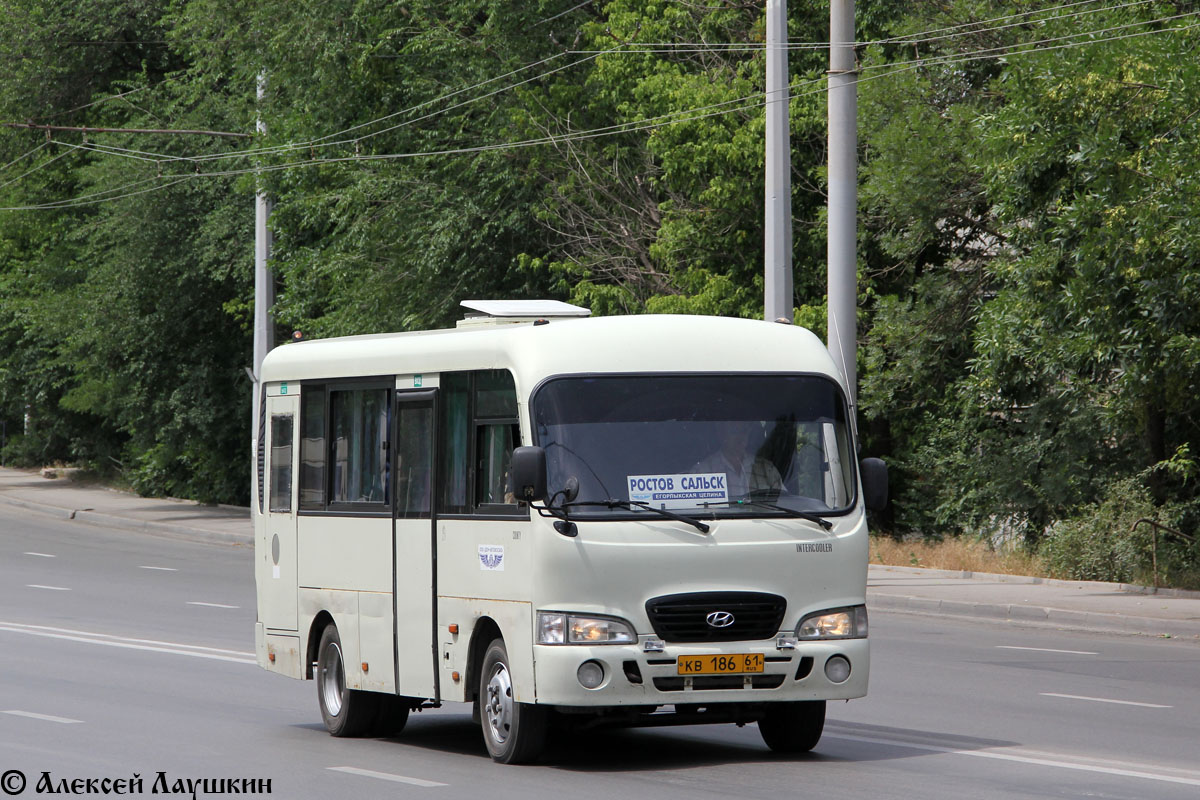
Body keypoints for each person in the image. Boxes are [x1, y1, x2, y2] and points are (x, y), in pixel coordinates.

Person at [690, 421, 783, 498]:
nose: (740, 437)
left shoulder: (767, 470)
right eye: (734, 431)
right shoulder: (702, 472)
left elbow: (785, 502)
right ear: (721, 434)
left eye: (744, 431)